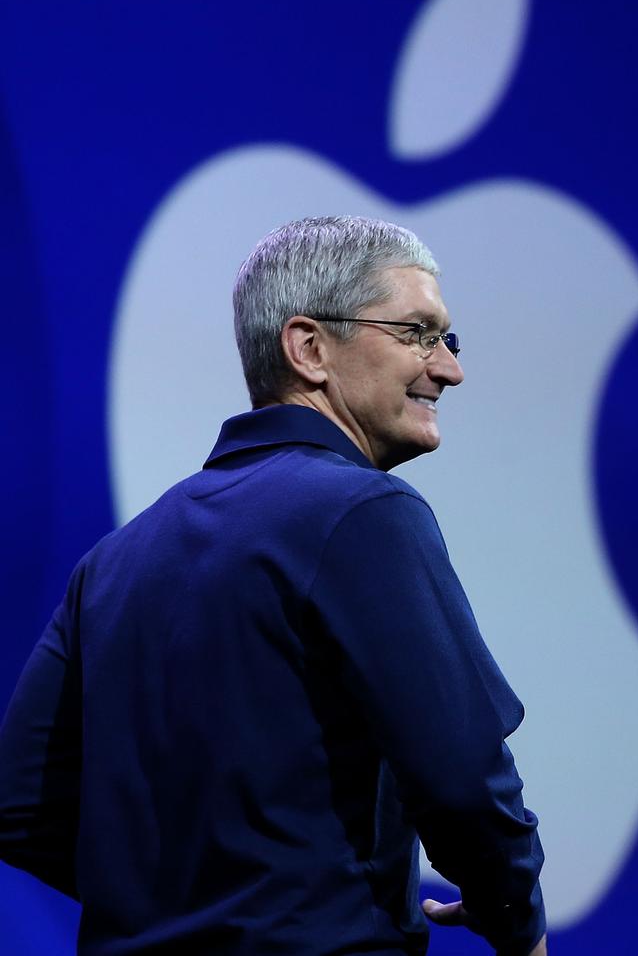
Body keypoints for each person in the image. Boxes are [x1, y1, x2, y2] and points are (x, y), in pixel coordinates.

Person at [0, 216, 546, 955]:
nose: (448, 368)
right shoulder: (363, 513)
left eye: (447, 339)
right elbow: (464, 781)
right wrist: (516, 916)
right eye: (418, 333)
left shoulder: (114, 561)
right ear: (310, 348)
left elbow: (21, 807)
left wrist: (175, 915)